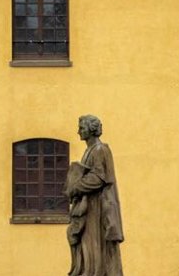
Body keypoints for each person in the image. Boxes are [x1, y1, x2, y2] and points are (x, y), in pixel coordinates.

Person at [66, 115, 124, 276]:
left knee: (94, 244)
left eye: (82, 128)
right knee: (84, 242)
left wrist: (75, 187)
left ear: (91, 130)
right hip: (88, 206)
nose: (78, 132)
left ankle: (94, 271)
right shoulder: (90, 150)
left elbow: (98, 177)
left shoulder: (100, 150)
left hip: (97, 208)